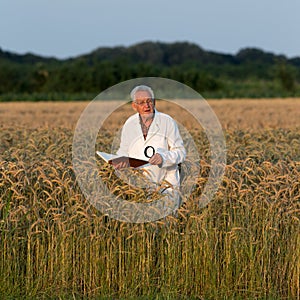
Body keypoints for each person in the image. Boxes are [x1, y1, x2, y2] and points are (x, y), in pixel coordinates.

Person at [114, 85, 186, 207]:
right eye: (141, 102)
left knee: (165, 222)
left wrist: (163, 158)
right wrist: (119, 160)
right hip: (139, 187)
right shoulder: (129, 124)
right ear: (134, 106)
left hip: (165, 185)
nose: (146, 106)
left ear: (154, 102)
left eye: (149, 101)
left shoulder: (167, 121)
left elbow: (181, 152)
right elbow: (124, 150)